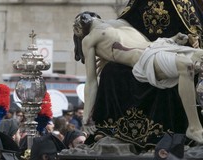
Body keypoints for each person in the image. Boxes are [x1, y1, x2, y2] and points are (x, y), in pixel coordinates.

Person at [84, 0, 203, 149]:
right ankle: (111, 128)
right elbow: (125, 23)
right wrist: (108, 51)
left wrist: (190, 38)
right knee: (112, 71)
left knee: (192, 62)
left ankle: (184, 128)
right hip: (148, 52)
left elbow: (193, 25)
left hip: (169, 47)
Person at [73, 11, 203, 144]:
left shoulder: (120, 23)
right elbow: (91, 81)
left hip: (160, 46)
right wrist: (86, 116)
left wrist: (172, 39)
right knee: (186, 66)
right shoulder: (89, 40)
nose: (81, 19)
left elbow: (146, 42)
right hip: (145, 60)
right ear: (78, 31)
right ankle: (194, 127)